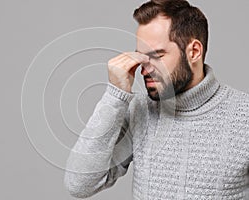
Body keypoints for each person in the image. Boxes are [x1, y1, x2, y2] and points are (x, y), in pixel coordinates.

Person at [64, 0, 249, 199]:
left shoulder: (244, 116)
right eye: (141, 57)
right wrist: (114, 95)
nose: (144, 69)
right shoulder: (140, 109)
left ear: (194, 51)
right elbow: (79, 185)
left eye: (157, 55)